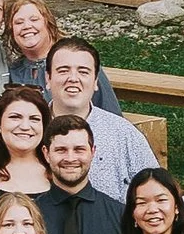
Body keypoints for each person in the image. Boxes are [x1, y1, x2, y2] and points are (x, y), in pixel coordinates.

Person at [47, 37, 159, 201]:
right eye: (63, 70)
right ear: (48, 79)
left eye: (83, 72)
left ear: (96, 82)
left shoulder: (123, 133)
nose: (73, 78)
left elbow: (155, 189)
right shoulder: (30, 131)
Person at [33, 115, 129, 234]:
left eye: (79, 149)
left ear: (92, 152)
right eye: (61, 150)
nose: (70, 158)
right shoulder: (30, 216)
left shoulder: (120, 215)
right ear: (46, 153)